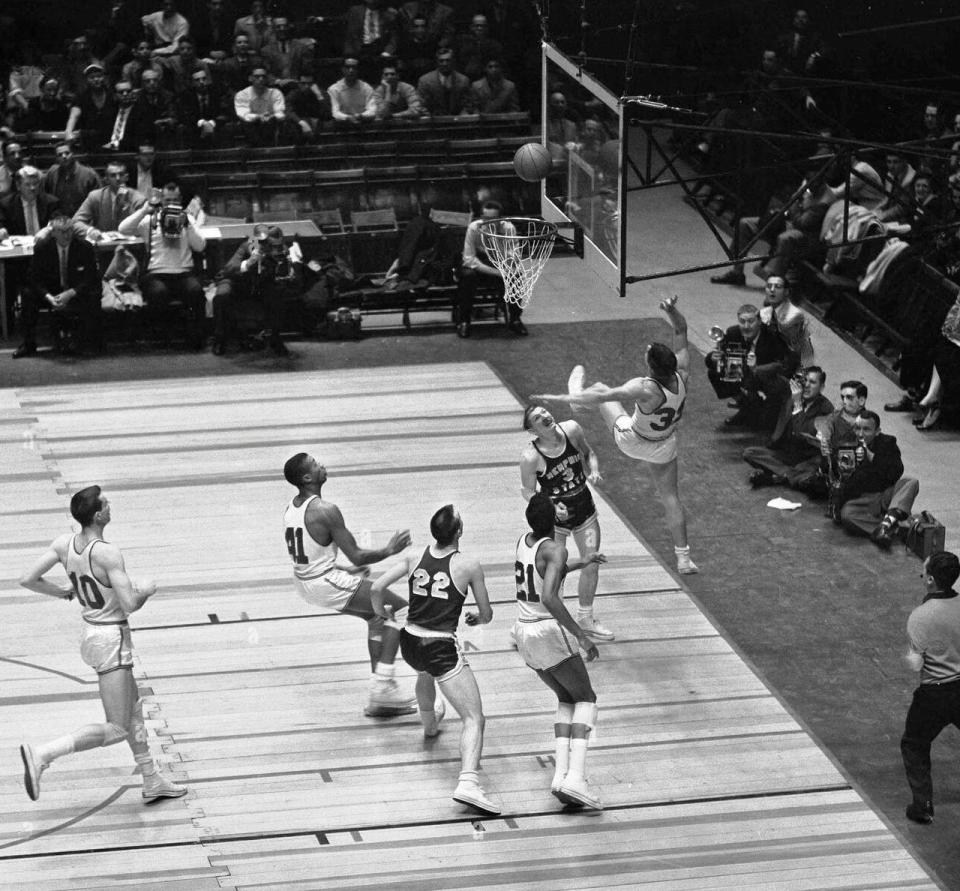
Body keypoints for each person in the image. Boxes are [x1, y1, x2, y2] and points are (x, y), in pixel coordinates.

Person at [17, 486, 187, 804]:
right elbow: (130, 603)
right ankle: (43, 754)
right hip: (111, 638)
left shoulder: (64, 544)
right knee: (118, 727)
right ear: (97, 515)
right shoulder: (107, 553)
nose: (110, 505)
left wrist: (65, 592)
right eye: (105, 503)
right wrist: (146, 590)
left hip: (92, 633)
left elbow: (28, 579)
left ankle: (151, 778)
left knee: (134, 709)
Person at [535, 296, 699, 574]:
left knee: (598, 388)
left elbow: (606, 395)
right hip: (664, 444)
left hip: (632, 440)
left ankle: (575, 396)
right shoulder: (683, 372)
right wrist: (672, 311)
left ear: (651, 367)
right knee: (671, 498)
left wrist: (559, 397)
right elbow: (681, 330)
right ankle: (683, 559)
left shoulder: (644, 388)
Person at [371, 504, 500, 815]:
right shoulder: (468, 565)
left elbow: (376, 587)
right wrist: (477, 619)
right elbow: (487, 613)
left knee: (424, 673)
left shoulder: (414, 556)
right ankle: (468, 782)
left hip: (410, 642)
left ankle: (429, 725)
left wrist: (381, 614)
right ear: (458, 532)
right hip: (440, 645)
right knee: (474, 718)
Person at [282, 452, 416, 717]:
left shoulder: (291, 508)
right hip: (323, 583)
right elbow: (357, 554)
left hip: (306, 581)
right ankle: (383, 685)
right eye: (316, 464)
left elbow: (310, 557)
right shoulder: (325, 510)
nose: (322, 465)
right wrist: (389, 549)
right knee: (400, 611)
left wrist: (347, 570)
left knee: (377, 618)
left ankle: (380, 700)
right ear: (308, 477)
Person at [513, 493, 606, 808]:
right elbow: (551, 597)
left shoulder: (525, 542)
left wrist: (585, 561)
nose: (563, 508)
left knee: (566, 698)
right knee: (587, 699)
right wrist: (581, 635)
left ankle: (561, 776)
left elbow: (549, 569)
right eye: (558, 507)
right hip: (546, 630)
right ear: (551, 519)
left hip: (523, 632)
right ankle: (577, 778)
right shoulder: (557, 548)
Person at [520, 405, 612, 640]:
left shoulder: (572, 429)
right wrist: (551, 506)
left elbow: (589, 453)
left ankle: (585, 617)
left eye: (545, 412)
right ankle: (546, 618)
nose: (546, 417)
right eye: (539, 419)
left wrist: (594, 470)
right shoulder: (531, 457)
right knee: (555, 570)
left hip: (585, 510)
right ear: (533, 430)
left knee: (591, 563)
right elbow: (528, 492)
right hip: (556, 522)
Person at [900, 551, 960, 825]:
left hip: (934, 693)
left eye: (924, 572)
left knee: (914, 744)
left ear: (931, 580)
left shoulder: (920, 617)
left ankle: (923, 804)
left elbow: (915, 664)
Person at [118, 180, 207, 350]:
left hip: (183, 272)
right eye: (167, 201)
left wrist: (188, 226)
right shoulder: (151, 220)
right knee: (158, 293)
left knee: (196, 292)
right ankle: (164, 338)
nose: (171, 204)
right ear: (161, 201)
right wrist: (145, 209)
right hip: (156, 273)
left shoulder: (187, 219)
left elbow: (200, 246)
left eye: (175, 201)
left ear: (180, 201)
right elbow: (123, 228)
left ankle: (196, 339)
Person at [17, 211, 102, 357]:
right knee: (28, 294)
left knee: (94, 292)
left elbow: (91, 278)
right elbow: (34, 278)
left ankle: (90, 341)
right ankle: (28, 344)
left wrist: (70, 293)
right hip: (51, 291)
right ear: (54, 233)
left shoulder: (84, 247)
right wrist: (49, 297)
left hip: (74, 290)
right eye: (62, 232)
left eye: (69, 230)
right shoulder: (42, 248)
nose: (67, 235)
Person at [833, 411, 919, 548]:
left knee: (910, 482)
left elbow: (896, 472)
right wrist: (854, 468)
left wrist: (872, 458)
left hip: (885, 496)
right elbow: (846, 487)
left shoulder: (888, 442)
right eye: (857, 428)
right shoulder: (847, 445)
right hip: (864, 500)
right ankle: (889, 527)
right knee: (847, 515)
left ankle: (886, 525)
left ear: (877, 431)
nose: (860, 434)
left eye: (866, 429)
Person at [705, 303, 795, 430]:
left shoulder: (772, 335)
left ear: (759, 321)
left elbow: (784, 364)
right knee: (713, 373)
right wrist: (713, 358)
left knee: (766, 424)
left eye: (751, 321)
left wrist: (758, 367)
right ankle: (746, 406)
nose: (746, 326)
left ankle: (767, 412)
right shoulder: (733, 332)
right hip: (744, 374)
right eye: (742, 321)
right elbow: (719, 355)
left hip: (769, 376)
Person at [743, 365, 834, 489]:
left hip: (807, 458)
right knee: (750, 453)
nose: (806, 385)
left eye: (812, 382)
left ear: (821, 387)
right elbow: (780, 429)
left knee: (810, 468)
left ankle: (778, 476)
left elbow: (801, 432)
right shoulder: (794, 399)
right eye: (805, 381)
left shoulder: (826, 409)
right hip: (788, 454)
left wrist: (797, 406)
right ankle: (788, 476)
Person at [457, 200, 525, 337]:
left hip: (499, 262)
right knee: (467, 277)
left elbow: (515, 256)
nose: (488, 222)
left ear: (500, 219)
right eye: (485, 219)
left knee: (516, 276)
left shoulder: (508, 228)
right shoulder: (474, 228)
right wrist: (498, 273)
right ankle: (464, 321)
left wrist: (496, 240)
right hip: (478, 265)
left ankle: (515, 320)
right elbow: (469, 259)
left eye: (493, 219)